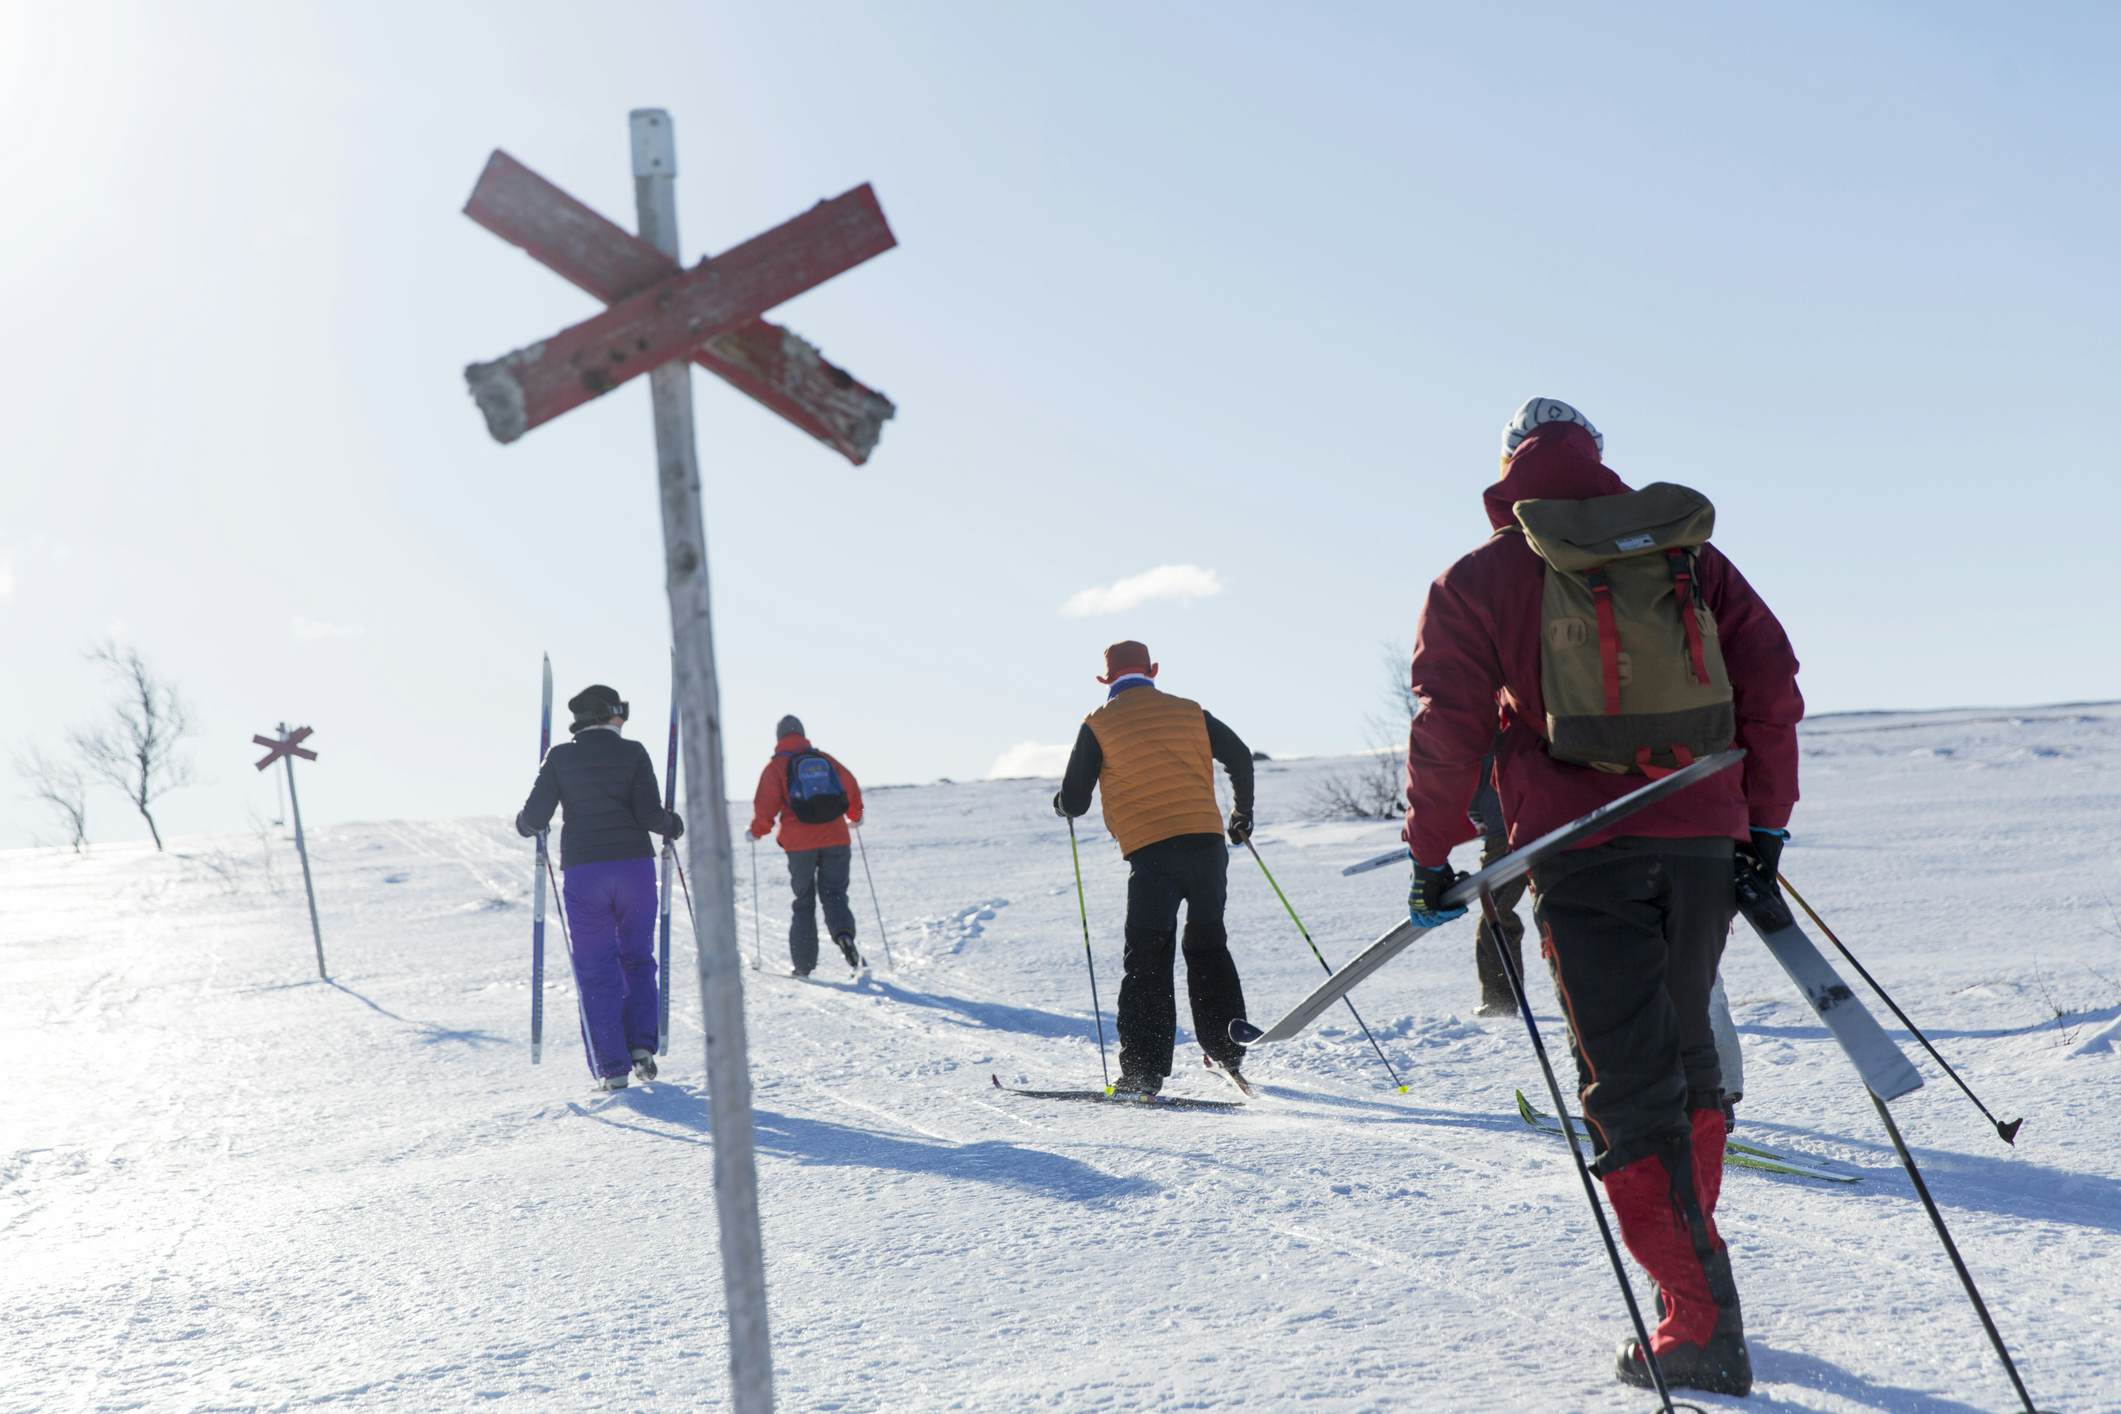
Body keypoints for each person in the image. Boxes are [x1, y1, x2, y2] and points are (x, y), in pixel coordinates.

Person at [1401, 398, 1801, 1395]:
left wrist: (1429, 850)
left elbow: (1448, 722)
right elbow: (1769, 682)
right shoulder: (1686, 556)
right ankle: (1689, 1293)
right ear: (1599, 459)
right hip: (1701, 837)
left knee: (1627, 1084)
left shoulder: (1482, 575)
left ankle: (1701, 1328)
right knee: (1686, 1059)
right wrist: (1763, 824)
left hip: (1582, 850)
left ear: (1508, 466)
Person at [1053, 640, 1257, 1098]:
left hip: (1152, 854)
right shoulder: (1190, 711)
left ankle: (1143, 1071)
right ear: (1153, 670)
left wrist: (1061, 804)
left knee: (1147, 958)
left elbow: (1077, 801)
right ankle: (1227, 1050)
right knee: (1208, 945)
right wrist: (1241, 814)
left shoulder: (1098, 723)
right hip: (1207, 846)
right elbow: (1240, 756)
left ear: (1106, 680)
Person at [515, 683, 684, 1091]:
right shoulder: (633, 752)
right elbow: (649, 815)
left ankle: (612, 1067)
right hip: (634, 870)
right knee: (637, 957)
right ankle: (641, 1046)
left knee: (596, 967)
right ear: (612, 714)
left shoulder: (560, 757)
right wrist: (673, 825)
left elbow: (534, 818)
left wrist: (525, 824)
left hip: (586, 873)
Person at [748, 715, 865, 977]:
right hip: (836, 837)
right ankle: (844, 936)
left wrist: (756, 832)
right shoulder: (825, 759)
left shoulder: (776, 767)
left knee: (803, 901)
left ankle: (803, 966)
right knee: (835, 893)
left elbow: (765, 808)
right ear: (803, 734)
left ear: (779, 737)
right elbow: (851, 787)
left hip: (799, 844)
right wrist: (855, 817)